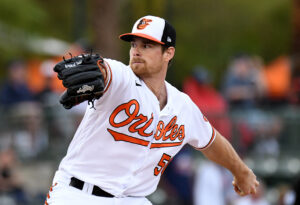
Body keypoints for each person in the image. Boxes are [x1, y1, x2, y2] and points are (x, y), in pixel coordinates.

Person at [45, 15, 259, 205]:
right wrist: (97, 70)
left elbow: (211, 142)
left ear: (168, 53)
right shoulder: (122, 79)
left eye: (147, 45)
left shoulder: (182, 106)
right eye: (133, 44)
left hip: (132, 199)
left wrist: (241, 171)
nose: (136, 50)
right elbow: (106, 70)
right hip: (78, 194)